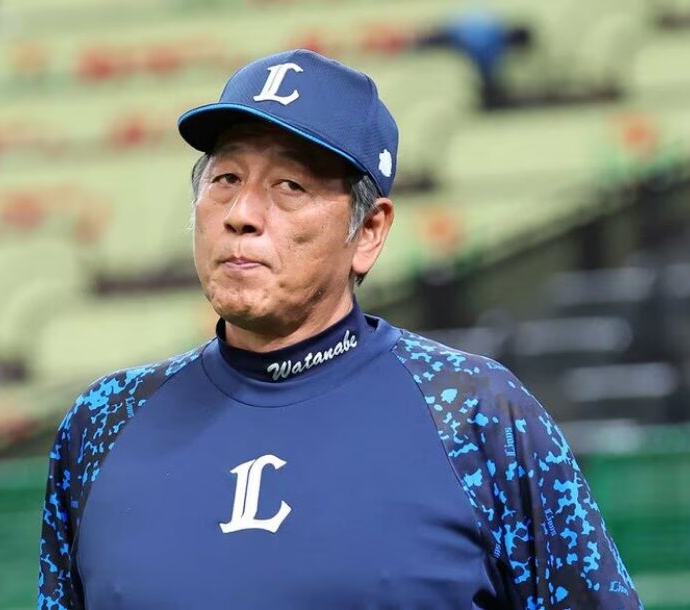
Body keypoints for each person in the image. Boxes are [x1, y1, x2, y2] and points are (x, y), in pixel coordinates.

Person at [37, 48, 643, 609]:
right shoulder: (103, 423)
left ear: (369, 232)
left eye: (289, 186)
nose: (242, 214)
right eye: (225, 179)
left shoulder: (474, 414)